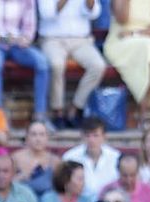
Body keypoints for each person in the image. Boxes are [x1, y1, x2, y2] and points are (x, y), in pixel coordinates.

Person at [37, 0, 104, 131]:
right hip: (52, 39)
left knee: (98, 65)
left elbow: (94, 13)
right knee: (56, 65)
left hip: (81, 40)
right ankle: (58, 111)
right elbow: (47, 14)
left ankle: (76, 107)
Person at [0, 0, 49, 126]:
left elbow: (29, 27)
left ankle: (40, 115)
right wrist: (5, 38)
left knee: (42, 63)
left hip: (18, 44)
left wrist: (23, 39)